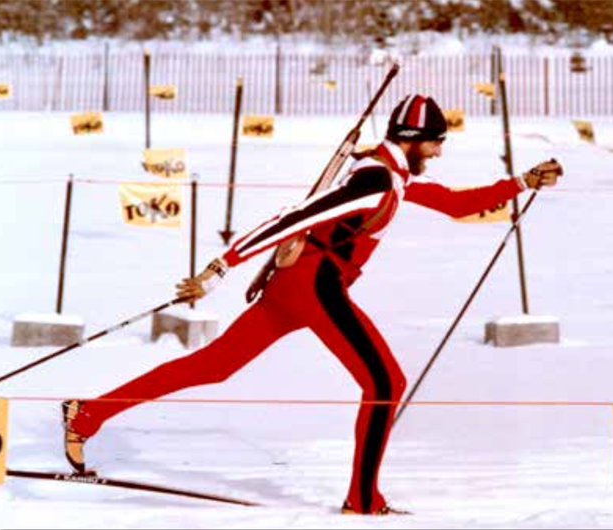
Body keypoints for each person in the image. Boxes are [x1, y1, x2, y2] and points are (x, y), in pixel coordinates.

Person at [61, 94, 563, 515]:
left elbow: (455, 204)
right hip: (314, 284)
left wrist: (523, 182)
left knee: (213, 366)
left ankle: (87, 414)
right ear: (412, 139)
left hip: (298, 285)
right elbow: (294, 216)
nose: (436, 152)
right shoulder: (375, 178)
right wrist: (219, 269)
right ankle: (363, 500)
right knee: (385, 380)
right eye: (435, 142)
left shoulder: (392, 174)